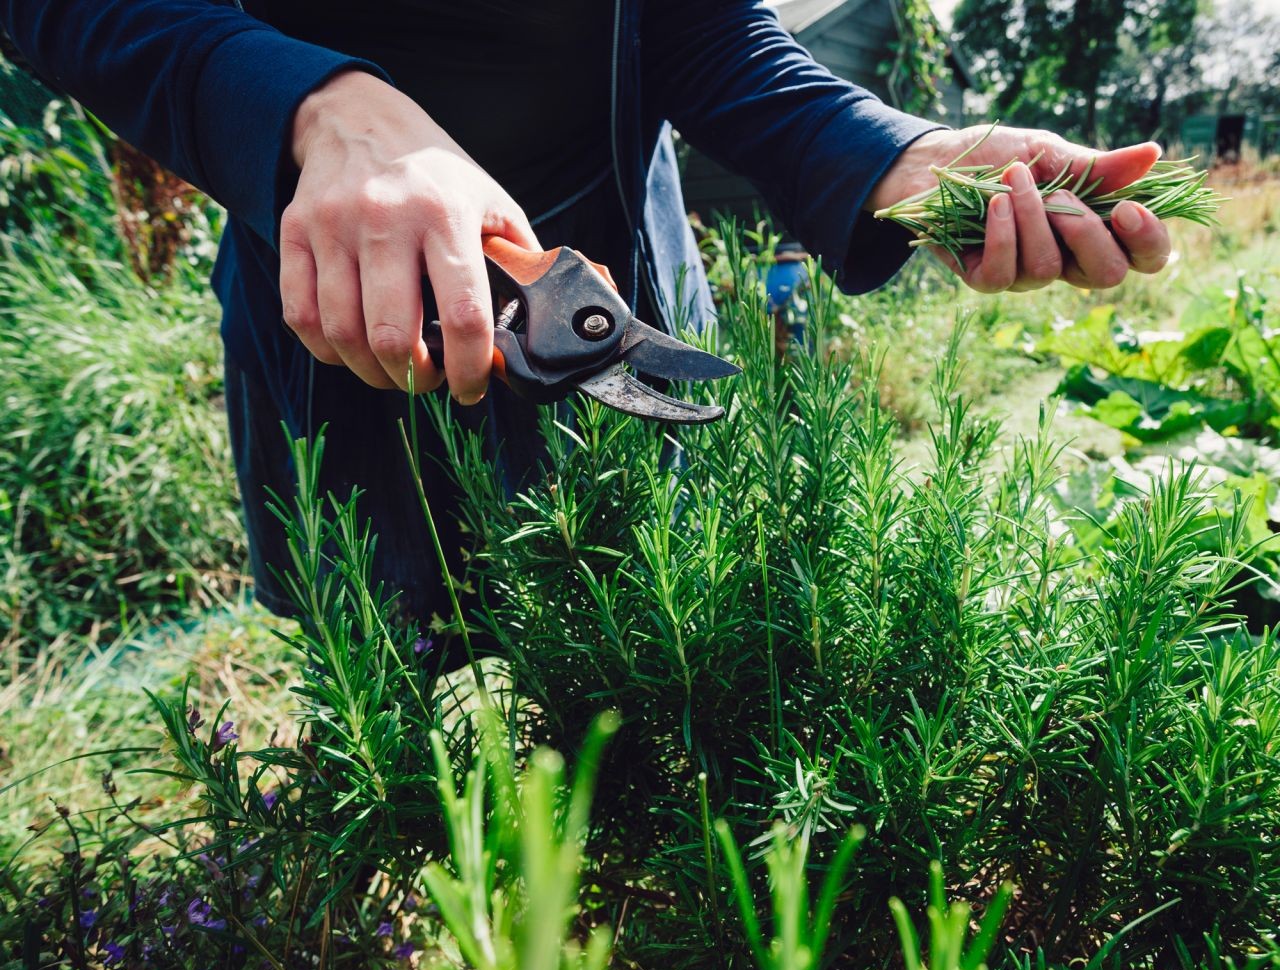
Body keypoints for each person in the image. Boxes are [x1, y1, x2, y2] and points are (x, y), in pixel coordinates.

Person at [0, 1, 1171, 646]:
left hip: (609, 291)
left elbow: (694, 30)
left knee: (647, 646)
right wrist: (304, 103)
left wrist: (882, 150)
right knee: (378, 671)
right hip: (347, 292)